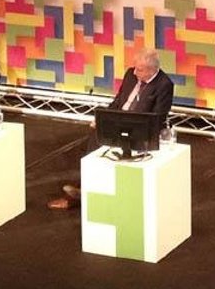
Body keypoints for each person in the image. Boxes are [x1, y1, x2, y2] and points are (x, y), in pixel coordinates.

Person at [48, 49, 174, 210]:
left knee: (110, 140)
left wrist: (131, 125)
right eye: (135, 68)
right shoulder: (131, 75)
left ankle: (83, 193)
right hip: (118, 120)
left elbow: (158, 117)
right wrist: (103, 118)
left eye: (140, 70)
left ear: (152, 70)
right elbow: (118, 101)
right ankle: (85, 188)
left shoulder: (164, 84)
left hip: (139, 128)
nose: (135, 72)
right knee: (96, 135)